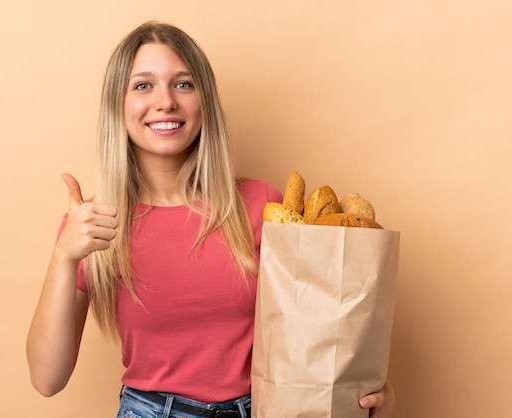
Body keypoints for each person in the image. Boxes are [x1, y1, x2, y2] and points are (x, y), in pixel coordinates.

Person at [26, 21, 396, 418]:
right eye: (143, 85)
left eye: (183, 84)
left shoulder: (263, 206)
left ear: (205, 101)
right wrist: (64, 256)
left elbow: (320, 329)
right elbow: (48, 378)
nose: (165, 102)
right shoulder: (94, 224)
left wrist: (373, 393)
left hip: (267, 409)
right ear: (118, 103)